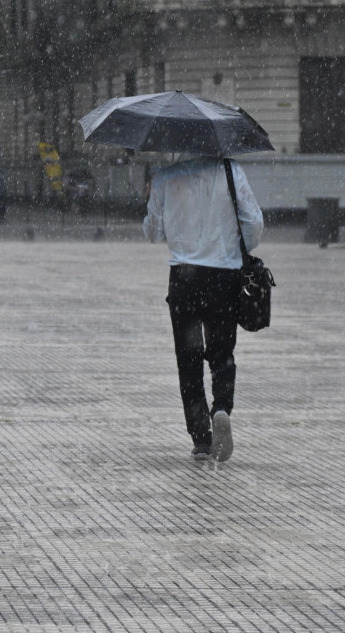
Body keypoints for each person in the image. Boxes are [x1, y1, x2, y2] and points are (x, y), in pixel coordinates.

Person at [143, 155, 263, 463]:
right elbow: (253, 222)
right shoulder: (230, 170)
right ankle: (221, 406)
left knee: (188, 358)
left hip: (184, 278)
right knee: (222, 351)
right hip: (224, 275)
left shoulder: (165, 177)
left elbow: (153, 233)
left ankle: (200, 438)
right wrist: (239, 247)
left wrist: (157, 205)